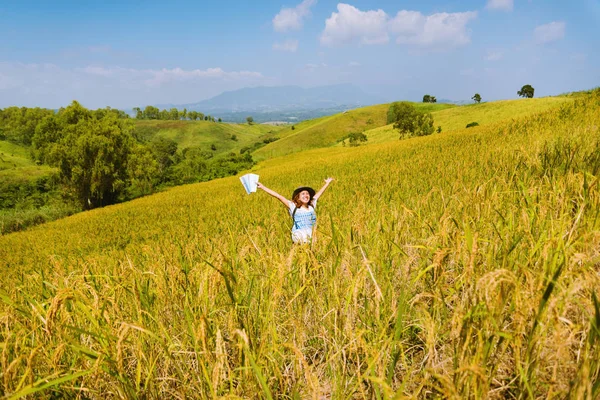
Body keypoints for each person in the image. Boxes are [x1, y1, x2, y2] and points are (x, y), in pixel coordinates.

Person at [257, 178, 334, 244]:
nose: (306, 195)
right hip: (299, 238)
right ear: (298, 197)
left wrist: (327, 183)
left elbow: (319, 193)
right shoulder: (293, 206)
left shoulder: (312, 205)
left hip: (313, 237)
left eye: (307, 194)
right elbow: (278, 196)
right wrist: (263, 187)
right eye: (303, 194)